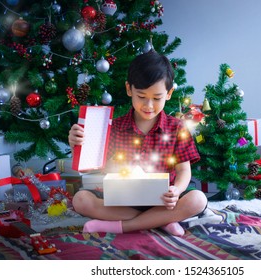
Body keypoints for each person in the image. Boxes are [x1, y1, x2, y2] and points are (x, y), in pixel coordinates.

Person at [68, 51, 207, 236]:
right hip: (123, 201)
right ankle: (161, 221)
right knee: (80, 200)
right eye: (141, 96)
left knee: (197, 199)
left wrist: (176, 190)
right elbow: (92, 167)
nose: (149, 105)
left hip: (163, 201)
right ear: (129, 89)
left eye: (157, 98)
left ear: (169, 93)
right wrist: (77, 146)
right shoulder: (114, 127)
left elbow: (184, 171)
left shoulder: (177, 128)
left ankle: (122, 226)